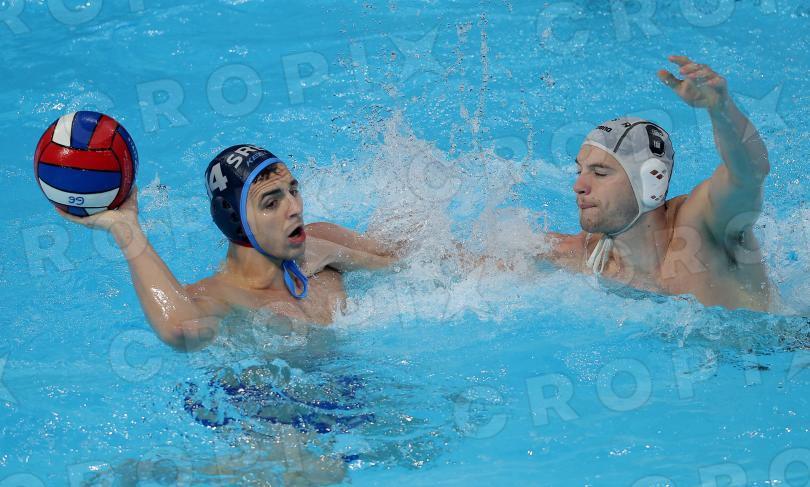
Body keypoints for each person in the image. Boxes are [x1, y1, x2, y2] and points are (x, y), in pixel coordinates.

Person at [57, 145, 399, 351]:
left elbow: (402, 258)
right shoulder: (221, 296)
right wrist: (126, 229)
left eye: (293, 190)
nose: (295, 207)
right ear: (234, 220)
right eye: (271, 202)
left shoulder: (320, 241)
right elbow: (178, 331)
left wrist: (340, 254)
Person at [539, 55, 775, 312]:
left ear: (652, 180)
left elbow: (750, 173)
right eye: (580, 170)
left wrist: (720, 109)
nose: (579, 185)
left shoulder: (705, 225)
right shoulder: (583, 256)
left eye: (600, 173)